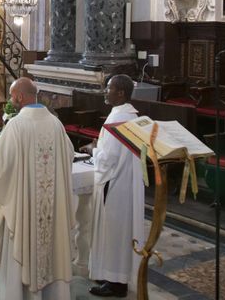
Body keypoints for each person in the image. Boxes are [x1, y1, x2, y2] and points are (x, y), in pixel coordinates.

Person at [0, 77, 75, 299]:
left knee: (19, 249)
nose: (11, 99)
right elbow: (68, 155)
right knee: (50, 249)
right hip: (49, 209)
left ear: (20, 97)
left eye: (12, 95)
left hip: (24, 210)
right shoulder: (55, 123)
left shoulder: (16, 125)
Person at [84, 74, 144, 298]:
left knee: (113, 233)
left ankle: (115, 282)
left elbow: (107, 159)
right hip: (126, 182)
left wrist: (93, 150)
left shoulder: (117, 119)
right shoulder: (132, 116)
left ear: (120, 93)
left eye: (109, 88)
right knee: (120, 233)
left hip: (115, 183)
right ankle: (114, 276)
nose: (105, 91)